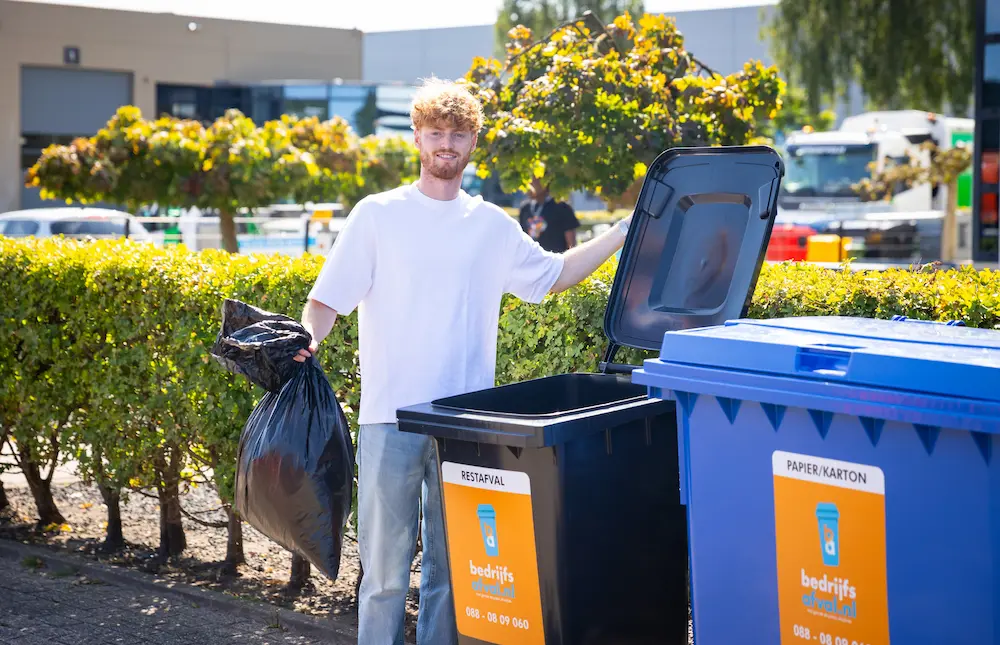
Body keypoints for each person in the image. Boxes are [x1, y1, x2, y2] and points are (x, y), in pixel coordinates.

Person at [293, 78, 632, 645]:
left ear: (472, 142)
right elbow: (326, 300)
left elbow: (556, 275)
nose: (445, 144)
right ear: (418, 138)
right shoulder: (377, 215)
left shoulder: (491, 226)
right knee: (382, 575)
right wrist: (307, 344)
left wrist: (622, 232)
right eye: (435, 133)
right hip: (389, 419)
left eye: (457, 134)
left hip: (464, 424)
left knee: (452, 574)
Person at [518, 176, 581, 253]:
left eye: (533, 181)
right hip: (532, 261)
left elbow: (571, 245)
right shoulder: (525, 208)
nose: (529, 185)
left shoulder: (562, 207)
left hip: (555, 262)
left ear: (544, 182)